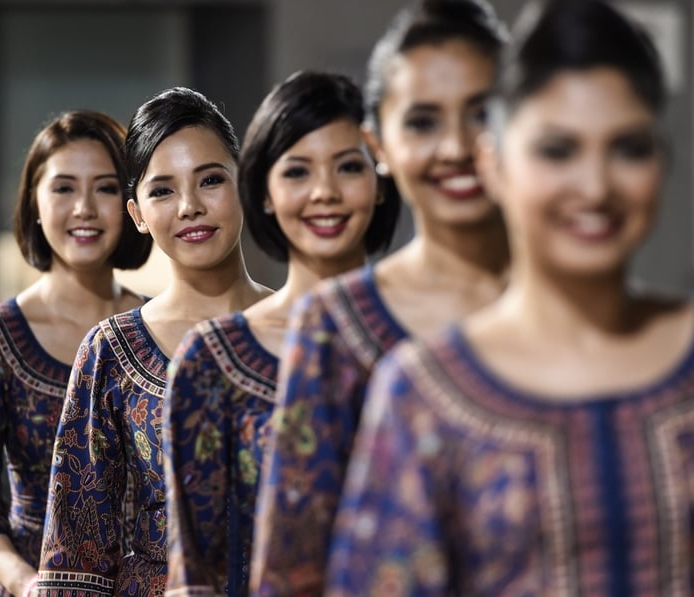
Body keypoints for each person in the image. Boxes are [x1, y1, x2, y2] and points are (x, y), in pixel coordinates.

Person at [326, 1, 688, 593]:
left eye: (628, 148)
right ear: (497, 162)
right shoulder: (420, 395)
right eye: (556, 151)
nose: (595, 188)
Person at [250, 1, 511, 594]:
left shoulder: (581, 310)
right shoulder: (332, 329)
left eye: (483, 114)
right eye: (422, 121)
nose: (455, 147)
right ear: (381, 146)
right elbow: (291, 574)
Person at [162, 71, 399, 597]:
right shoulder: (211, 359)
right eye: (297, 172)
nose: (325, 193)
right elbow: (193, 574)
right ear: (263, 193)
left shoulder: (427, 339)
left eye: (349, 167)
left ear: (381, 179)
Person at [35, 87, 272, 597]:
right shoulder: (110, 350)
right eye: (162, 190)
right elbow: (76, 552)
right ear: (137, 214)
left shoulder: (305, 332)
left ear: (246, 185)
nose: (190, 206)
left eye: (211, 180)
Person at [0, 110, 151, 597]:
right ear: (34, 203)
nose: (84, 208)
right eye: (63, 188)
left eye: (106, 188)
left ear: (132, 204)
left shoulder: (160, 329)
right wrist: (26, 581)